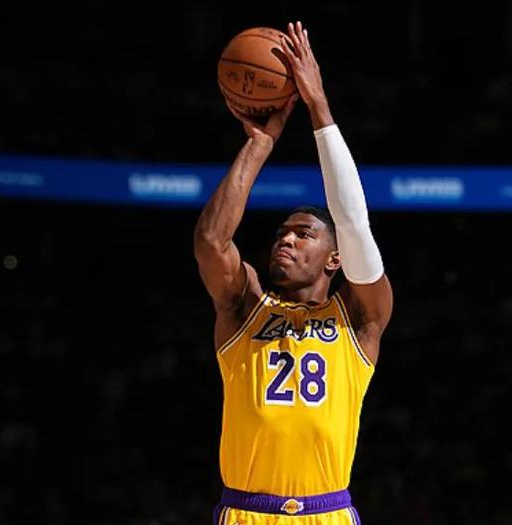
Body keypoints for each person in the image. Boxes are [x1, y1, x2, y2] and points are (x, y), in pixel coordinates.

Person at [194, 21, 393, 525]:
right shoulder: (245, 306)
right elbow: (212, 242)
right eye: (282, 232)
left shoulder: (359, 320)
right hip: (247, 511)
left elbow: (353, 224)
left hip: (327, 511)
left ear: (334, 258)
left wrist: (319, 108)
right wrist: (261, 143)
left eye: (303, 234)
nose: (286, 239)